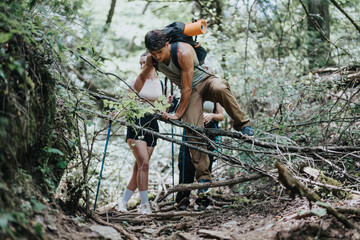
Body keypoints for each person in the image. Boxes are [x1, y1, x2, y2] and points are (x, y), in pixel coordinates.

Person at [133, 30, 254, 204]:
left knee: (221, 87)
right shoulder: (152, 60)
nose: (158, 57)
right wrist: (128, 102)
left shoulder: (183, 51)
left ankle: (243, 125)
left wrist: (177, 114)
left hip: (204, 82)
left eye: (160, 52)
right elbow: (140, 79)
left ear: (168, 44)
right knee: (192, 128)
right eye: (154, 54)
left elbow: (186, 88)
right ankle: (204, 178)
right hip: (191, 93)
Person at [115, 52, 164, 214]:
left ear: (154, 63)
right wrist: (115, 114)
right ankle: (144, 205)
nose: (143, 65)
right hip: (136, 123)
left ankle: (122, 203)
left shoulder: (161, 84)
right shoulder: (136, 81)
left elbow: (162, 108)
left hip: (153, 125)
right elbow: (126, 102)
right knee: (144, 164)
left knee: (139, 167)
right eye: (141, 63)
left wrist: (167, 106)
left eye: (146, 62)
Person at [176, 101, 224, 210]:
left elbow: (221, 116)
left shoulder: (214, 94)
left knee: (206, 165)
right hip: (190, 130)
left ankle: (202, 201)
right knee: (186, 164)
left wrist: (211, 115)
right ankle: (182, 200)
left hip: (208, 132)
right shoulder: (190, 90)